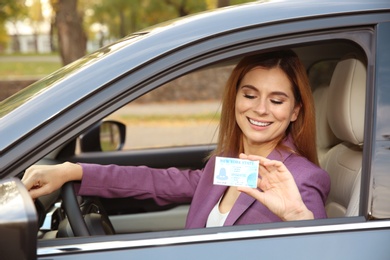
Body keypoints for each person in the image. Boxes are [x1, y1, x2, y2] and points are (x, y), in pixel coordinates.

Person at [22, 50, 330, 229]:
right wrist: (72, 171)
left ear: (294, 111)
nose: (260, 109)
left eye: (277, 101)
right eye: (249, 95)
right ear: (235, 98)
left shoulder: (302, 179)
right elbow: (157, 182)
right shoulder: (229, 165)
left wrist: (299, 219)